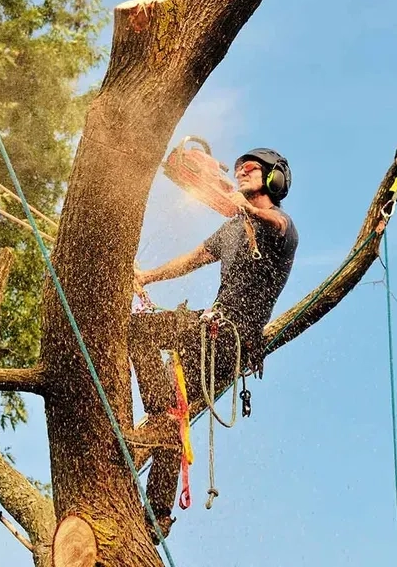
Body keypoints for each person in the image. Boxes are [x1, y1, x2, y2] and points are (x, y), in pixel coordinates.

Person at [128, 148, 299, 542]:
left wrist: (245, 207)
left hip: (230, 341)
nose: (242, 173)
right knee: (171, 414)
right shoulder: (231, 230)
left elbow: (275, 220)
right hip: (206, 333)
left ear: (274, 179)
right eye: (238, 170)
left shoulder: (280, 228)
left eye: (251, 170)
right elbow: (192, 259)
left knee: (140, 335)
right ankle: (157, 514)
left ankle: (159, 410)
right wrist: (147, 276)